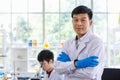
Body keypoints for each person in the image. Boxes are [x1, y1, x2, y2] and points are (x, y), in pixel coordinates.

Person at [54, 5, 105, 80]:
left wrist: (68, 68)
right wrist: (76, 64)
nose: (79, 23)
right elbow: (57, 68)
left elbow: (89, 74)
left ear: (90, 23)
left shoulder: (96, 43)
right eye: (76, 20)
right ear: (72, 22)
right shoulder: (68, 43)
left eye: (83, 20)